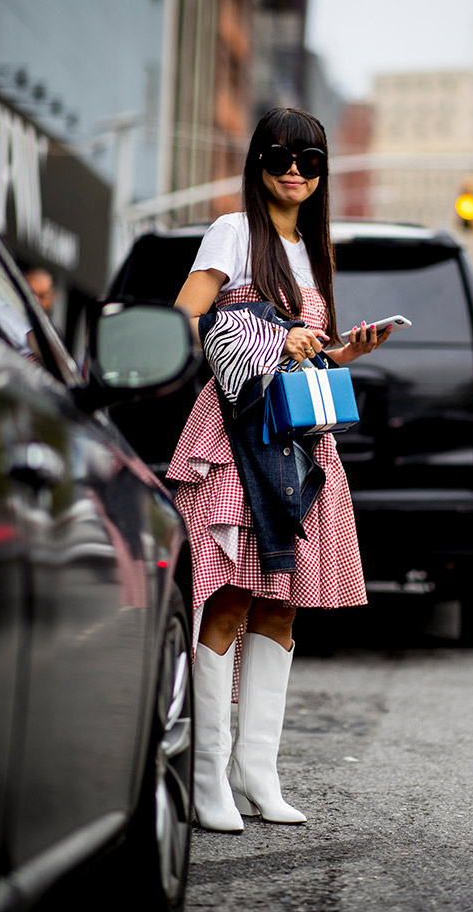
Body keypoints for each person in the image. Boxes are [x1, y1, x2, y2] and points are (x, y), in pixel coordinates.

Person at [168, 107, 391, 833]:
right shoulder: (233, 231)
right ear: (257, 161)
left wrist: (340, 355)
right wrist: (272, 337)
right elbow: (186, 314)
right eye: (279, 156)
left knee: (282, 605)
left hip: (299, 435)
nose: (294, 170)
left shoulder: (313, 246)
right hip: (239, 432)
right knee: (228, 597)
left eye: (309, 160)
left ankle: (256, 775)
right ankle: (207, 780)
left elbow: (309, 355)